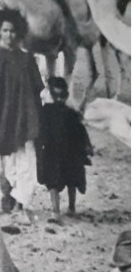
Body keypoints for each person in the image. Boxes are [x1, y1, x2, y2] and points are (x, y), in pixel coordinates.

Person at [0, 8, 44, 225]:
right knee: (5, 162)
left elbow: (35, 91)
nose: (9, 35)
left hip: (23, 118)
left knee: (24, 161)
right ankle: (8, 197)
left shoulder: (26, 59)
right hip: (0, 119)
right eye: (5, 31)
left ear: (18, 32)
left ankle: (22, 206)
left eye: (13, 31)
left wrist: (34, 119)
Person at [37, 75, 93, 222]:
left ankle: (57, 211)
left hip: (53, 153)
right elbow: (81, 132)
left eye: (61, 95)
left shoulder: (45, 112)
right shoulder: (71, 113)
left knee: (54, 182)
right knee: (71, 180)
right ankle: (71, 208)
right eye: (58, 95)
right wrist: (86, 149)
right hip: (68, 153)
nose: (59, 99)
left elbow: (40, 132)